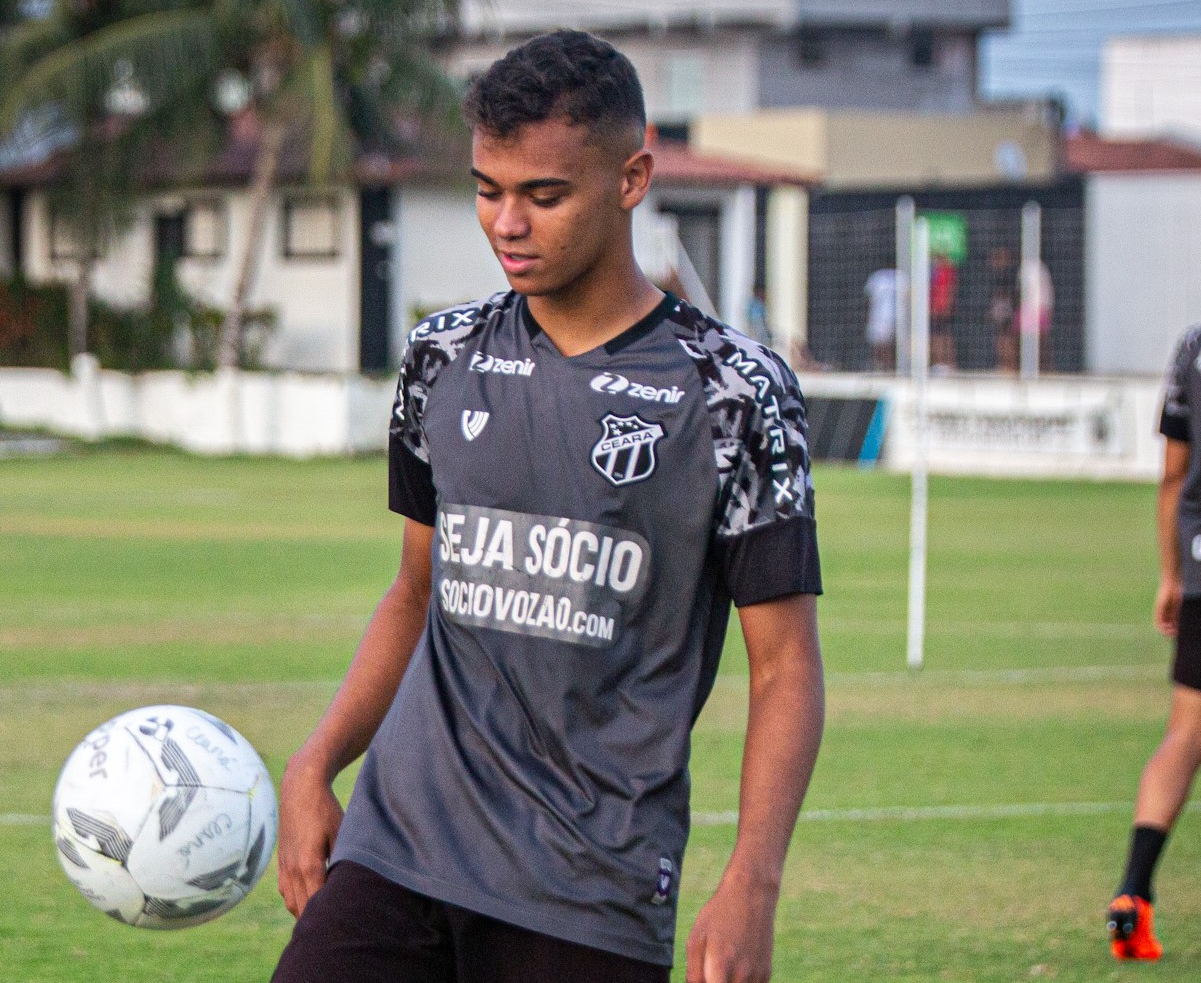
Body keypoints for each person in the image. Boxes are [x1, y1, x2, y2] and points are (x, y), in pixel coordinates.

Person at [271, 30, 825, 983]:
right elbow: (414, 592)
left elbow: (783, 669)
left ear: (631, 177)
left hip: (585, 884)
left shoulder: (732, 392)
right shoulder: (440, 358)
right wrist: (314, 763)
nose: (506, 224)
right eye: (488, 189)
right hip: (398, 845)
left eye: (543, 194)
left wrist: (751, 882)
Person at [1107, 209, 1201, 962]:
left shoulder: (1199, 346)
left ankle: (1133, 893)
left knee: (1185, 736)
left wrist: (1171, 573)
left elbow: (1171, 474)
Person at [864, 267, 899, 371]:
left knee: (885, 344)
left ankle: (888, 366)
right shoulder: (878, 277)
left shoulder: (877, 277)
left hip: (886, 315)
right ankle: (882, 365)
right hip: (884, 315)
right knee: (880, 343)